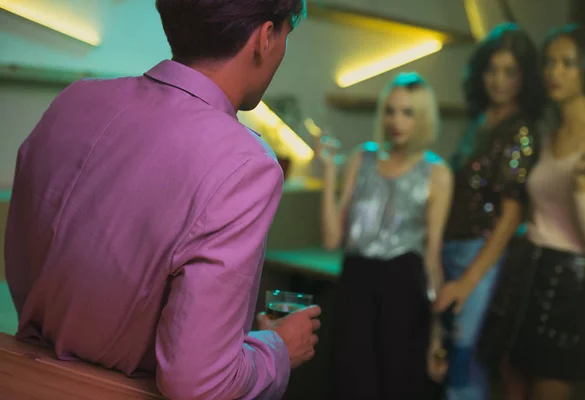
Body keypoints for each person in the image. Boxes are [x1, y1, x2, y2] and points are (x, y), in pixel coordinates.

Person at [4, 1, 321, 399]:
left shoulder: (74, 101)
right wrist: (276, 349)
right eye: (285, 37)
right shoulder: (245, 164)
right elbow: (199, 382)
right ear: (266, 38)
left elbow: (24, 263)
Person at [478, 24, 585, 400]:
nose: (554, 72)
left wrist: (584, 190)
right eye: (549, 63)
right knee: (511, 382)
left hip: (571, 283)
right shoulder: (548, 134)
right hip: (526, 271)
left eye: (567, 63)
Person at [319, 72, 454, 399]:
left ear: (423, 118)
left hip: (404, 292)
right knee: (349, 384)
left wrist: (437, 334)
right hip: (355, 287)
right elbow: (331, 239)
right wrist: (329, 173)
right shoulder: (361, 158)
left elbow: (433, 256)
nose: (396, 120)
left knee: (397, 386)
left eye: (408, 112)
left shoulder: (436, 173)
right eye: (390, 111)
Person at [434, 23, 545, 400]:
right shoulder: (480, 122)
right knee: (449, 365)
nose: (498, 80)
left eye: (509, 71)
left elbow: (512, 215)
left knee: (465, 368)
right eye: (491, 69)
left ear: (524, 78)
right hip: (453, 247)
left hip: (480, 257)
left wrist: (469, 280)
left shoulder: (521, 131)